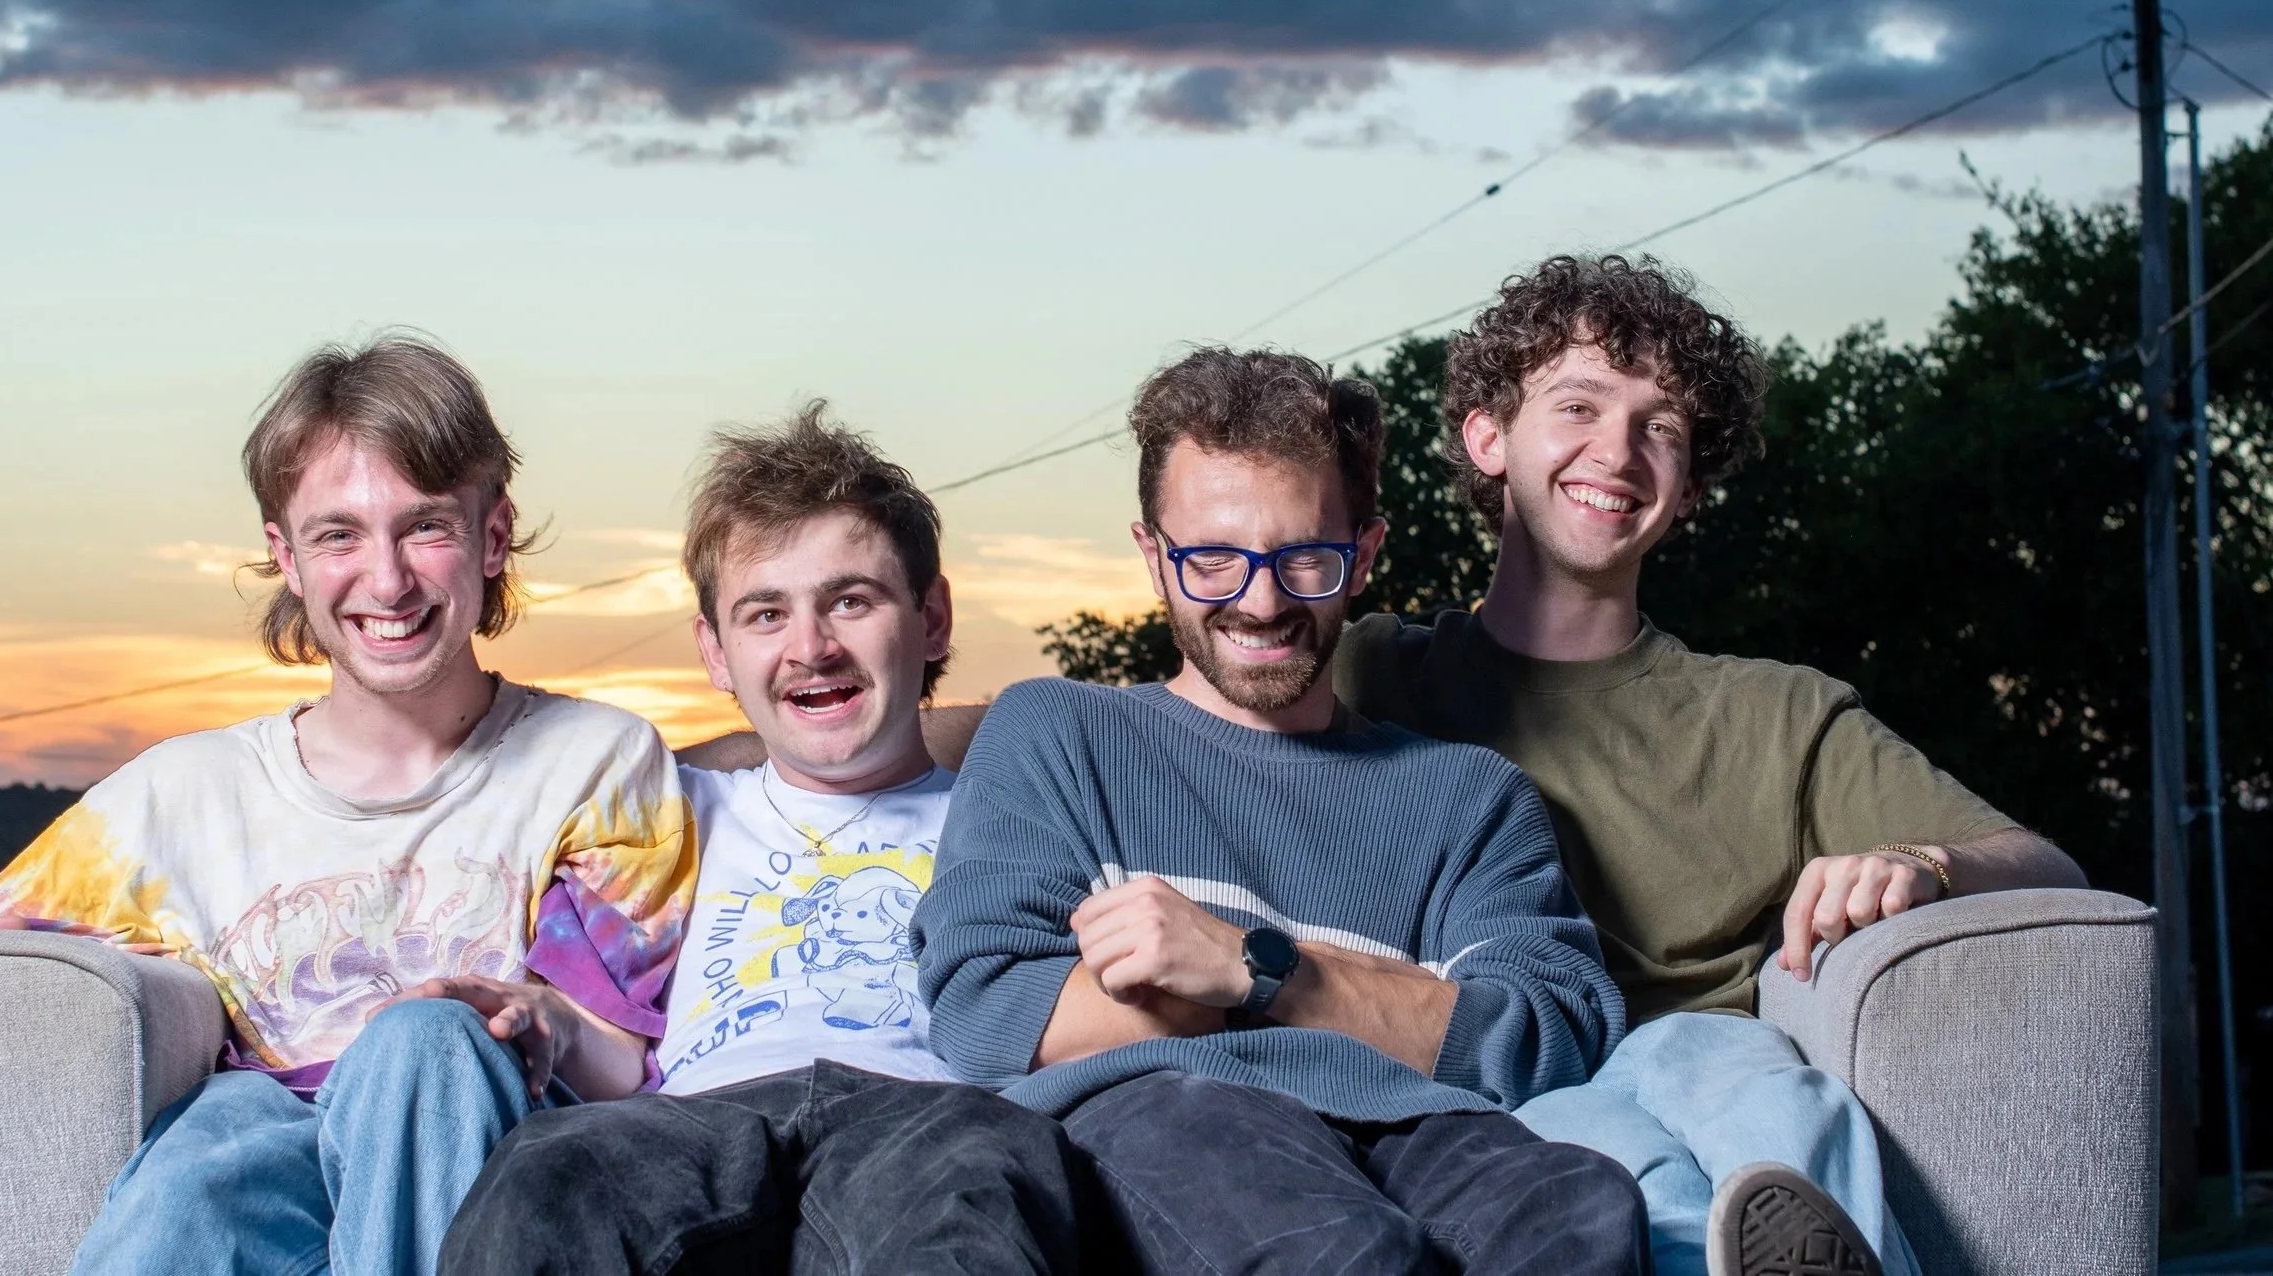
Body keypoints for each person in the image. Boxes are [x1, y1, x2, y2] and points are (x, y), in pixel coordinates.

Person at [0, 334, 695, 1276]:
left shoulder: (596, 758)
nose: (387, 579)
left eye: (425, 526)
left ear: (492, 534)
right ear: (286, 556)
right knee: (208, 1148)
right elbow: (18, 958)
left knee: (426, 1039)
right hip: (276, 1148)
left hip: (488, 1152)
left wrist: (540, 1017)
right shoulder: (180, 793)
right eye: (338, 534)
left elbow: (623, 1055)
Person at [1330, 254, 2088, 1276]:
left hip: (1706, 1050)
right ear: (1487, 436)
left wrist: (1923, 862)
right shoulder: (1363, 670)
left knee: (1747, 1074)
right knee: (1605, 1156)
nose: (1619, 450)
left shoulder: (1775, 713)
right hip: (1512, 1082)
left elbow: (2051, 868)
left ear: (1686, 489)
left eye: (1663, 428)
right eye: (1578, 404)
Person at [913, 348, 1651, 1276]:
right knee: (1345, 1253)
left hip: (1422, 1127)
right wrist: (1389, 996)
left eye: (1305, 558)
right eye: (1213, 560)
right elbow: (987, 1010)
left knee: (1582, 1211)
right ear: (1153, 557)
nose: (1260, 603)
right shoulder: (1058, 730)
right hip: (1173, 1116)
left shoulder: (1470, 796)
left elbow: (1547, 1035)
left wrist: (1250, 967)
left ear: (1365, 555)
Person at [441, 404, 1080, 1276]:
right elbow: (617, 1058)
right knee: (541, 1176)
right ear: (714, 649)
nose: (810, 647)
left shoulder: (1016, 820)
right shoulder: (660, 817)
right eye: (765, 613)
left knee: (967, 1211)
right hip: (690, 1122)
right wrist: (549, 1018)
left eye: (850, 600)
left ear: (931, 617)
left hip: (931, 1118)